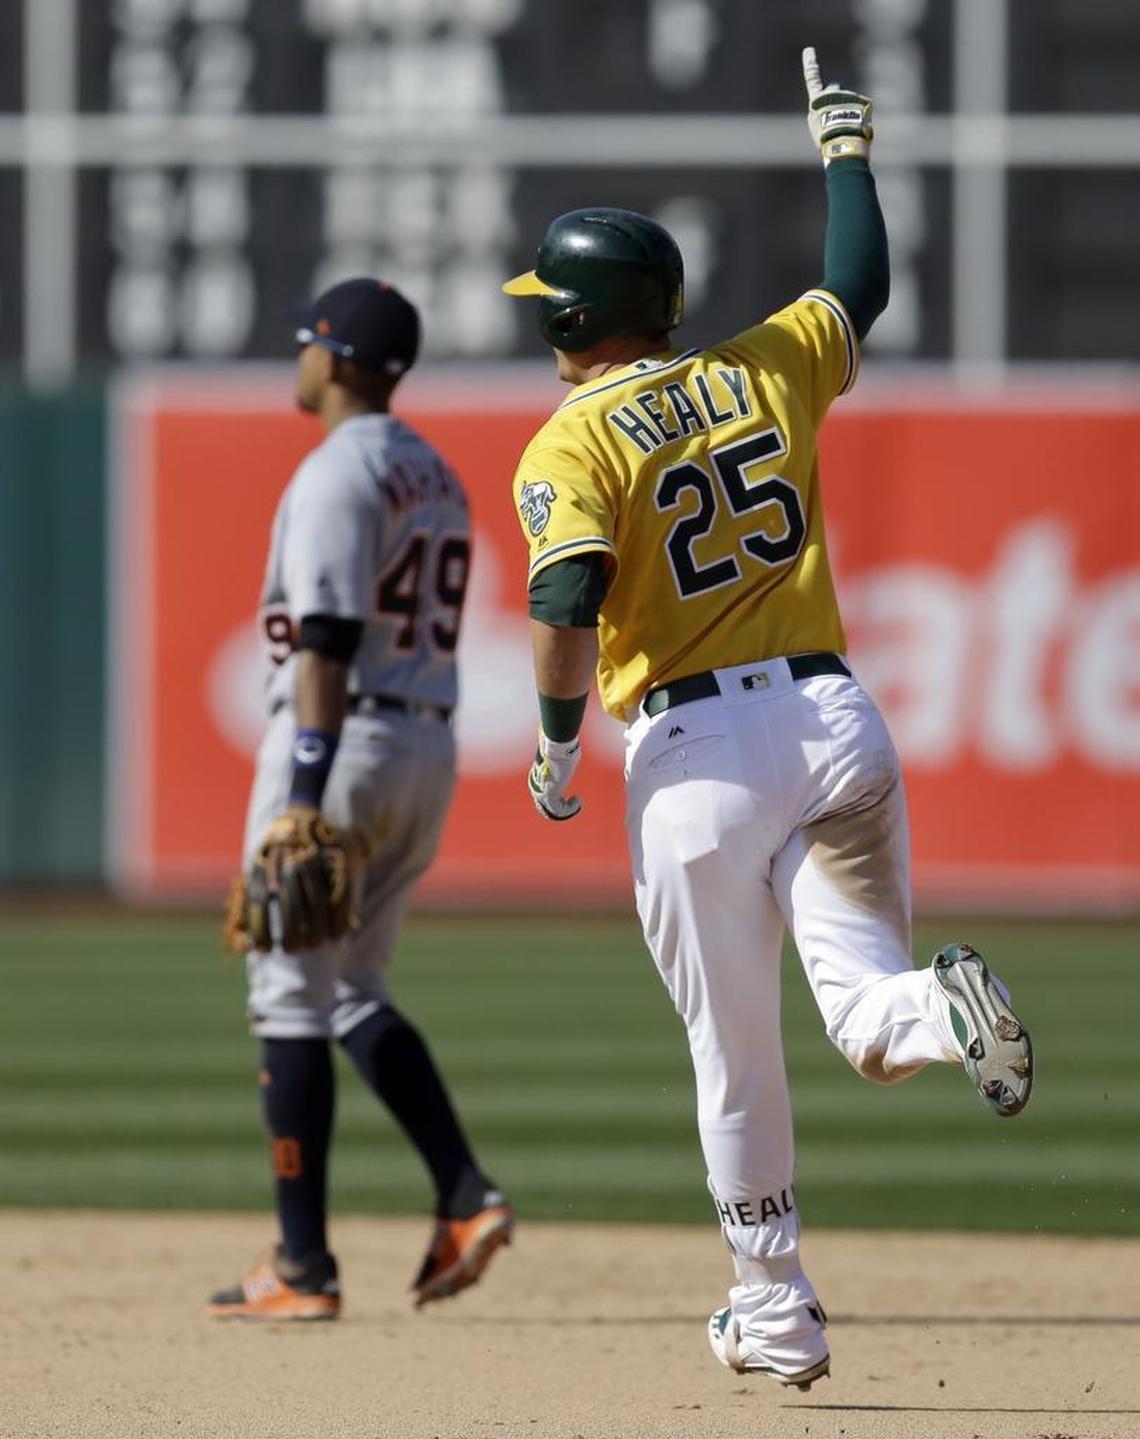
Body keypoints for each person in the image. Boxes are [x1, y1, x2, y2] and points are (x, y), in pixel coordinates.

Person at [501, 49, 1032, 1388]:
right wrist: (847, 149)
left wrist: (559, 740)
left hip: (696, 761)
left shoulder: (570, 442)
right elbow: (858, 284)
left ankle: (777, 1309)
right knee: (863, 1013)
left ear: (570, 323)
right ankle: (939, 1013)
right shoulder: (763, 368)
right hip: (837, 719)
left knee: (733, 1053)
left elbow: (567, 590)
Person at [208, 277, 513, 1320]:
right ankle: (465, 1193)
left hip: (339, 744)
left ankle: (302, 1265)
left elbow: (328, 635)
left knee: (288, 997)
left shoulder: (339, 470)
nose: (298, 361)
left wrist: (300, 786)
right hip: (425, 742)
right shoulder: (433, 469)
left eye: (305, 346)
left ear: (334, 359)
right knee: (351, 988)